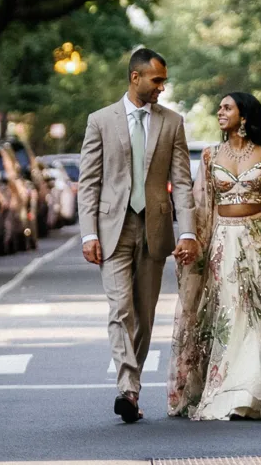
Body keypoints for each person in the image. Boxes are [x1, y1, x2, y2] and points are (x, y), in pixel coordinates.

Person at [78, 48, 198, 424]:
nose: (161, 87)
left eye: (163, 81)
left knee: (144, 316)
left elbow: (181, 182)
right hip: (113, 228)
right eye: (157, 80)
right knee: (120, 309)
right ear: (135, 77)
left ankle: (133, 383)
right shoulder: (100, 121)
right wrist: (87, 234)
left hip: (155, 228)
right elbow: (89, 182)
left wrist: (188, 232)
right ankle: (128, 389)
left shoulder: (172, 122)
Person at [167, 92, 261, 421]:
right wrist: (192, 242)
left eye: (227, 108)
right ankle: (227, 390)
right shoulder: (211, 156)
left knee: (259, 315)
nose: (220, 112)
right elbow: (200, 204)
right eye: (220, 107)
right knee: (229, 313)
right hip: (223, 240)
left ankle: (254, 392)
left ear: (244, 117)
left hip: (259, 238)